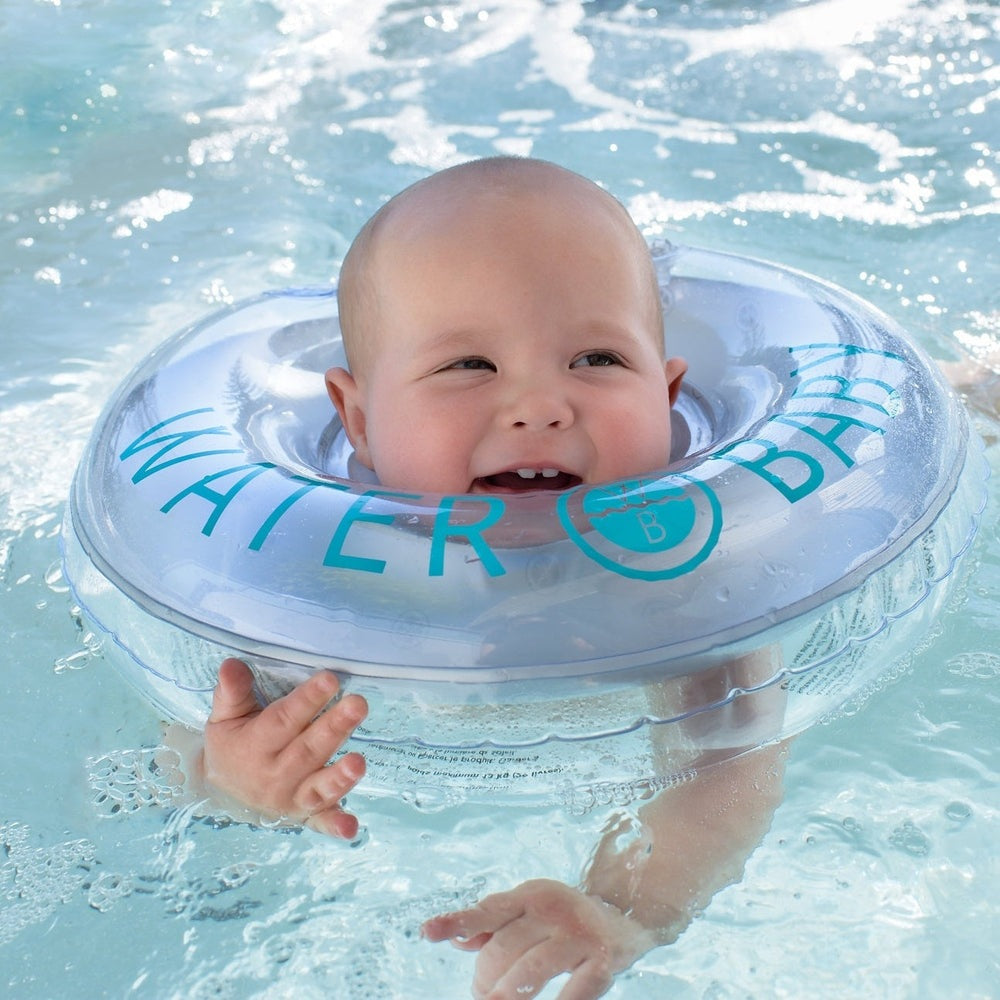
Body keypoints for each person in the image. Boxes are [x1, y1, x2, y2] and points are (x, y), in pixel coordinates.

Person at [194, 156, 785, 1000]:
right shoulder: (311, 580)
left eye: (596, 357)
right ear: (357, 421)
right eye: (469, 365)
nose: (541, 405)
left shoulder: (697, 575)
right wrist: (237, 783)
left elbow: (733, 771)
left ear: (668, 392)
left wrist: (626, 911)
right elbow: (190, 755)